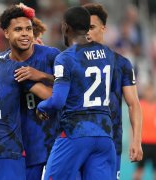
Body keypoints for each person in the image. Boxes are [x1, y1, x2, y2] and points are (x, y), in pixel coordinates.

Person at [0, 3, 61, 180]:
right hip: (13, 150)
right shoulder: (0, 65)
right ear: (6, 33)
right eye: (18, 29)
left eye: (28, 29)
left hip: (46, 144)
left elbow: (71, 87)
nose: (25, 33)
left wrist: (40, 75)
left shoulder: (51, 56)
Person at [37, 6, 117, 179]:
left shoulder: (65, 58)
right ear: (88, 27)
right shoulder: (108, 54)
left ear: (65, 27)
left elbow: (57, 101)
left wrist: (42, 106)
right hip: (104, 134)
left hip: (76, 133)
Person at [83, 3, 143, 179]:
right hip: (77, 141)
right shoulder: (69, 61)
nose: (87, 32)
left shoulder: (122, 64)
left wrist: (136, 140)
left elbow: (133, 104)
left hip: (110, 142)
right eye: (83, 28)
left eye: (92, 27)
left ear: (104, 28)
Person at [133, 84, 156, 180]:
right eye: (148, 91)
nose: (150, 94)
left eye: (151, 91)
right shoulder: (140, 105)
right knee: (138, 171)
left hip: (155, 144)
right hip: (143, 143)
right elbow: (134, 125)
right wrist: (134, 141)